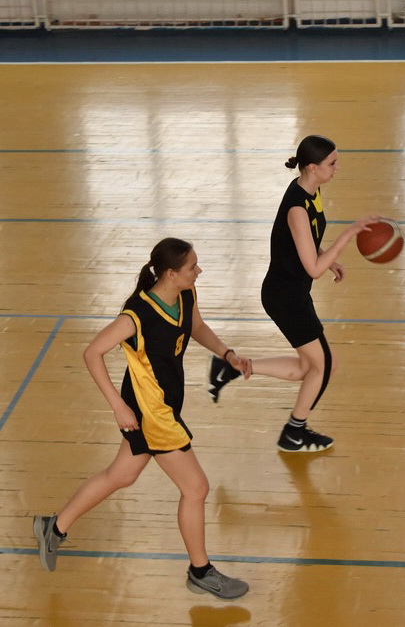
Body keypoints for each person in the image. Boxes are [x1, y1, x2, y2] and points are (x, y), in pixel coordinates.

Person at [33, 237, 251, 600]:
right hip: (152, 413)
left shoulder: (185, 294)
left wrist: (227, 354)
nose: (198, 271)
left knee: (122, 474)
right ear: (170, 273)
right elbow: (92, 353)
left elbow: (195, 326)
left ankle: (53, 528)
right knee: (196, 488)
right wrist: (118, 406)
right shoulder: (137, 314)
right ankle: (200, 572)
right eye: (192, 266)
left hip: (165, 404)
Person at [208, 135, 376, 453]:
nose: (337, 168)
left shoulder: (311, 191)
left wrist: (329, 259)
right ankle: (294, 433)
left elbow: (307, 243)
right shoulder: (297, 207)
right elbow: (312, 268)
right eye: (332, 163)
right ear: (312, 167)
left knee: (308, 367)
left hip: (290, 294)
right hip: (286, 297)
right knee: (324, 365)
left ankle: (233, 368)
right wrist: (348, 235)